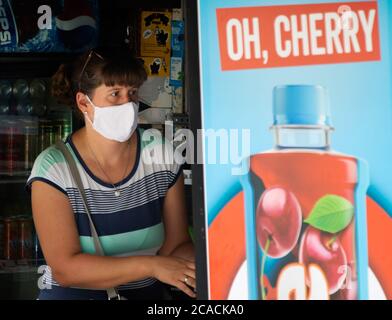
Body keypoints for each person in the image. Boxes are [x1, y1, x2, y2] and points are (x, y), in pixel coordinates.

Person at [26, 46, 196, 300]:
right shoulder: (54, 168)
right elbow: (65, 269)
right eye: (115, 94)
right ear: (84, 102)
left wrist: (213, 264)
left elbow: (176, 245)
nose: (127, 104)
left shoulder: (160, 154)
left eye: (133, 94)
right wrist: (150, 266)